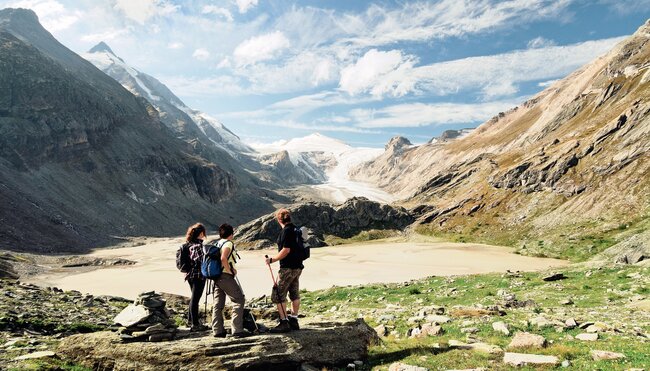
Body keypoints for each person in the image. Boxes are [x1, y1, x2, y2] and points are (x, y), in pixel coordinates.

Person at [265, 208, 304, 333]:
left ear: (278, 219)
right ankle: (294, 319)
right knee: (294, 293)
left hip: (287, 267)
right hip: (298, 266)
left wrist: (272, 260)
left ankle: (284, 322)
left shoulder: (286, 231)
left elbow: (286, 250)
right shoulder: (296, 230)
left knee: (278, 294)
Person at [210, 223, 250, 338]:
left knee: (218, 304)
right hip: (225, 276)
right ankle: (237, 330)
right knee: (239, 299)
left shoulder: (217, 243)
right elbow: (223, 258)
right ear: (231, 234)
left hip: (216, 277)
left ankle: (217, 330)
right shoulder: (228, 243)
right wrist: (230, 270)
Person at [184, 223, 208, 331]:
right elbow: (201, 261)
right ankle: (195, 324)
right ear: (201, 233)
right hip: (198, 275)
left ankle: (190, 321)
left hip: (190, 275)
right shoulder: (198, 246)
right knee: (195, 299)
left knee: (193, 298)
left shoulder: (189, 244)